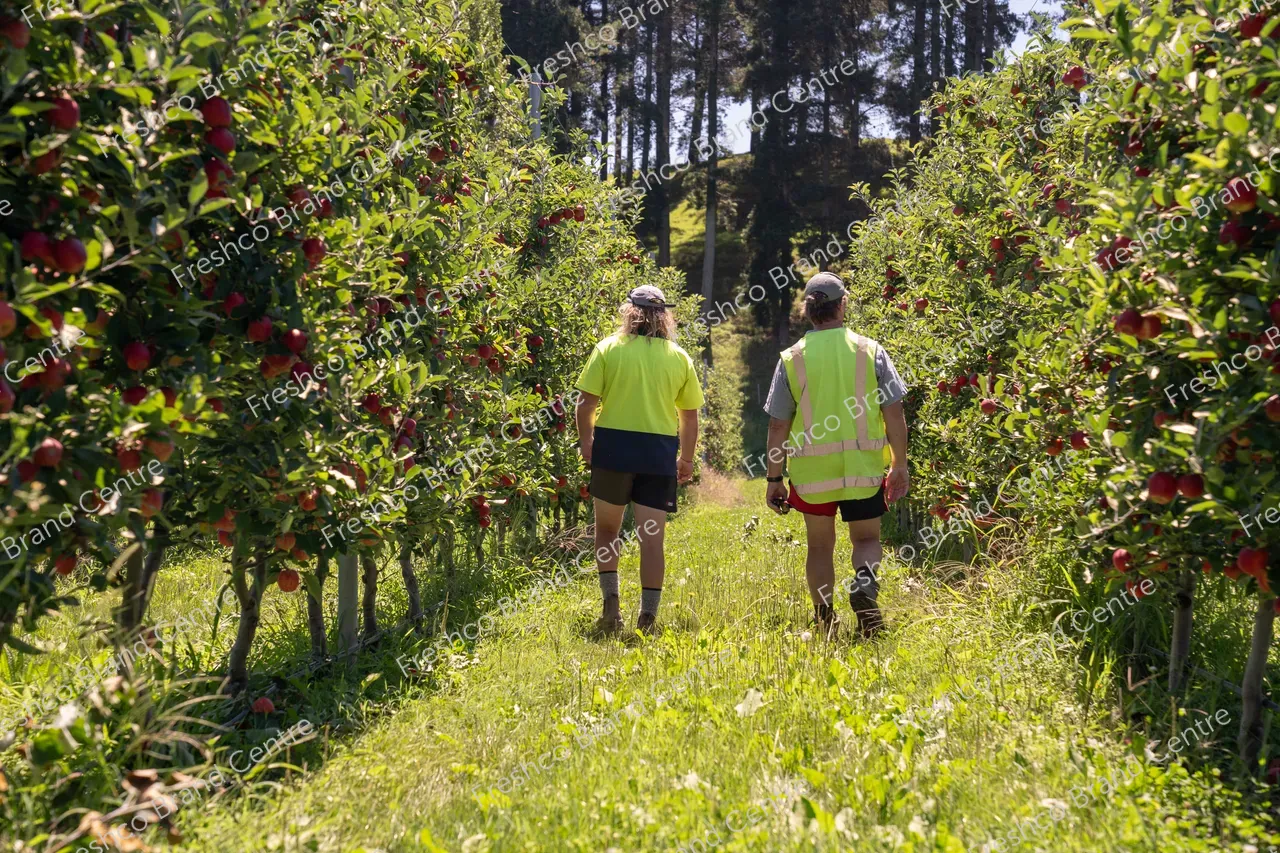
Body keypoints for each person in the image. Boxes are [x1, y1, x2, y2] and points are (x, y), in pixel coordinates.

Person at [762, 272, 909, 639]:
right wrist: (899, 464)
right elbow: (894, 415)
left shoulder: (792, 358)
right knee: (866, 540)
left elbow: (778, 426)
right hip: (864, 468)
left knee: (820, 546)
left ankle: (825, 621)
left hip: (813, 474)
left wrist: (774, 478)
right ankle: (864, 586)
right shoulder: (870, 351)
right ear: (843, 305)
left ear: (807, 311)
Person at [575, 285, 704, 635]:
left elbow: (585, 404)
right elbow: (689, 416)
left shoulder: (608, 349)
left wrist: (588, 442)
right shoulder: (679, 357)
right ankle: (647, 618)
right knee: (652, 539)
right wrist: (687, 459)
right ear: (664, 316)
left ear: (629, 312)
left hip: (613, 448)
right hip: (658, 453)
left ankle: (611, 606)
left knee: (606, 531)